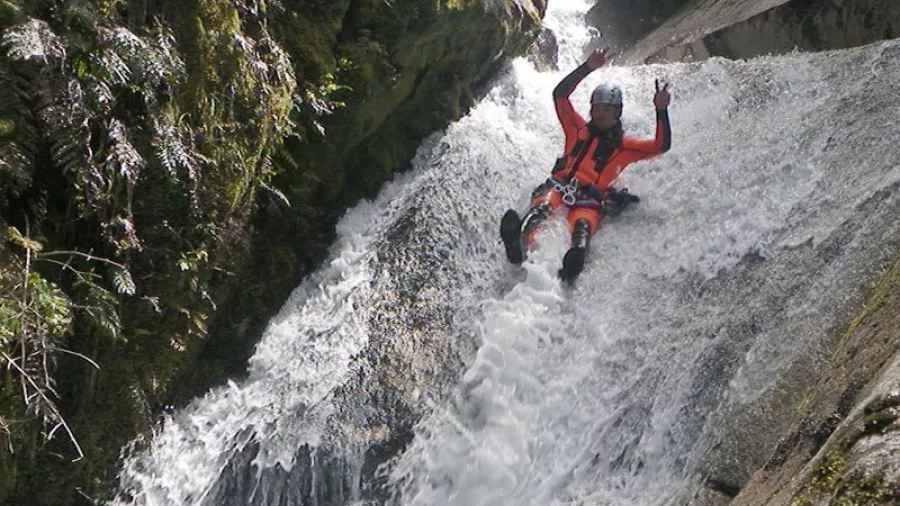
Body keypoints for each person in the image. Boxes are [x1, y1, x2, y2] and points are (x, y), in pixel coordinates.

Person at [500, 48, 672, 284]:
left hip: (589, 201)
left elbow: (661, 145)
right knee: (539, 213)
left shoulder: (625, 147)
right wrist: (587, 67)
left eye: (607, 109)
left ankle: (570, 271)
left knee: (581, 230)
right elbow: (560, 95)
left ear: (617, 113)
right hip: (558, 187)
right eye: (597, 108)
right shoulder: (577, 128)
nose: (600, 114)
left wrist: (661, 111)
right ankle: (517, 247)